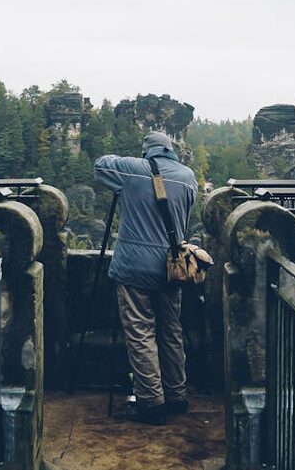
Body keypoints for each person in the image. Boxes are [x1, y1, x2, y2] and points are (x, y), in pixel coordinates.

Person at [94, 131, 198, 426]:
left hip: (135, 268)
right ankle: (177, 394)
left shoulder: (133, 170)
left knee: (141, 332)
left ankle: (151, 402)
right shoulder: (188, 176)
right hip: (172, 266)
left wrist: (127, 158)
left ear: (147, 151)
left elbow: (101, 165)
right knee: (170, 330)